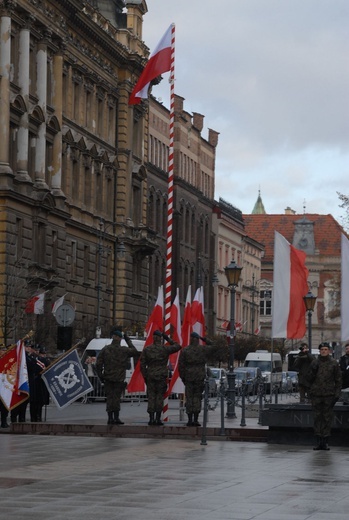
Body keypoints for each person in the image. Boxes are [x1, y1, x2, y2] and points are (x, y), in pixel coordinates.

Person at [96, 327, 138, 425]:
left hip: (108, 378)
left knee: (110, 398)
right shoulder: (123, 350)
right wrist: (128, 340)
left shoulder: (105, 349)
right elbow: (135, 351)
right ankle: (116, 418)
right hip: (119, 378)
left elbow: (98, 364)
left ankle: (110, 418)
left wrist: (100, 375)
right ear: (120, 338)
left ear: (113, 337)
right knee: (117, 398)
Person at [140, 330, 180, 426]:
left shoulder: (147, 349)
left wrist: (145, 375)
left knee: (151, 397)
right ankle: (158, 419)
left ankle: (151, 419)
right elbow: (178, 346)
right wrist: (167, 338)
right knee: (159, 397)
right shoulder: (164, 349)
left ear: (153, 338)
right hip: (161, 376)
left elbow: (142, 365)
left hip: (150, 376)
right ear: (160, 338)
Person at [308, 342, 342, 450]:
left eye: (326, 349)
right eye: (322, 349)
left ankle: (325, 441)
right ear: (319, 351)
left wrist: (337, 394)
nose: (324, 351)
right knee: (317, 418)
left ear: (329, 351)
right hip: (316, 395)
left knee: (327, 418)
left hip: (329, 395)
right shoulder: (314, 363)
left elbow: (338, 380)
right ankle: (318, 441)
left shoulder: (334, 363)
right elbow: (309, 379)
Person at [178, 331, 216, 427]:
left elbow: (181, 366)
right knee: (197, 398)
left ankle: (190, 420)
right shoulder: (202, 349)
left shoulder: (185, 350)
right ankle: (195, 419)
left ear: (191, 339)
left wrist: (184, 378)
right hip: (199, 377)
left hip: (189, 377)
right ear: (197, 340)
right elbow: (214, 346)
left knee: (189, 398)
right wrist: (204, 339)